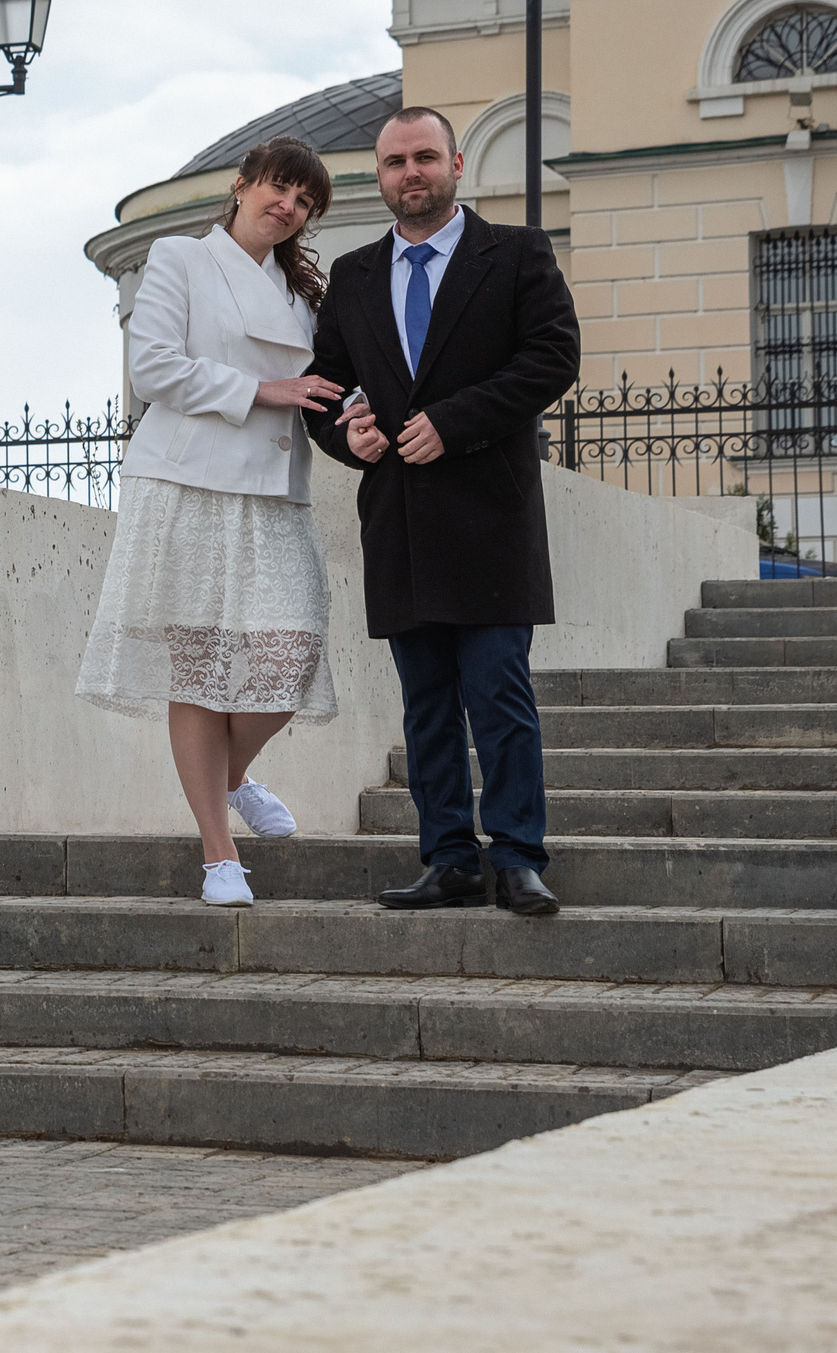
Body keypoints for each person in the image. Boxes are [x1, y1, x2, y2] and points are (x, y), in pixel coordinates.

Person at [303, 107, 581, 918]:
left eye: (425, 156)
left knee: (498, 694)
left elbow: (553, 356)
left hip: (491, 520)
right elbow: (327, 388)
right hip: (401, 525)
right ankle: (450, 857)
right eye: (394, 161)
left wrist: (453, 423)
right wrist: (347, 432)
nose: (410, 172)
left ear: (456, 164)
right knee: (424, 706)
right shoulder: (352, 276)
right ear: (380, 175)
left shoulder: (518, 253)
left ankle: (520, 856)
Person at [75, 135, 341, 908]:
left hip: (274, 491)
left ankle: (230, 778)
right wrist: (265, 390)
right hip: (187, 478)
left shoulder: (302, 296)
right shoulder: (180, 259)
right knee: (196, 665)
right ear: (242, 183)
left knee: (291, 653)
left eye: (303, 202)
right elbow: (152, 366)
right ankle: (218, 851)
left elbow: (322, 383)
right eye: (279, 188)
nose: (287, 205)